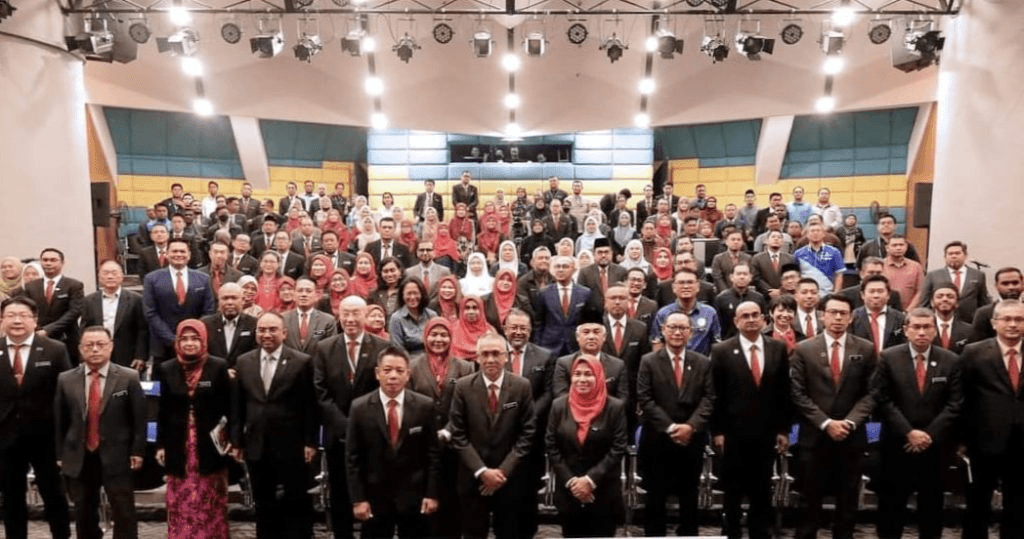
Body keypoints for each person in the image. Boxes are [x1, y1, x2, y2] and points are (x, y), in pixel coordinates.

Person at [869, 308, 962, 539]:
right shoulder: (888, 357)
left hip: (935, 447)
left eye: (927, 327)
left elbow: (955, 403)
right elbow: (881, 399)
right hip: (897, 444)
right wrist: (908, 432)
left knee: (932, 506)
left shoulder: (951, 360)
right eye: (916, 327)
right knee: (891, 506)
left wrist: (928, 435)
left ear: (935, 330)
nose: (921, 332)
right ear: (906, 330)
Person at [789, 294, 877, 539]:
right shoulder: (804, 349)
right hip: (814, 435)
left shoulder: (866, 349)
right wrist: (826, 423)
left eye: (843, 313)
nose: (838, 318)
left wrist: (849, 422)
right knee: (809, 497)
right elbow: (796, 393)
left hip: (851, 435)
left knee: (848, 498)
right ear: (822, 315)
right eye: (833, 312)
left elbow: (872, 393)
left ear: (851, 318)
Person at [55, 325, 145, 539]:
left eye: (100, 344)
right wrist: (60, 454)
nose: (95, 349)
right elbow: (60, 421)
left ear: (111, 346)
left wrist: (138, 451)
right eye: (89, 345)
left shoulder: (128, 377)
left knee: (124, 510)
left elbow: (139, 419)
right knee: (83, 511)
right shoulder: (66, 379)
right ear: (80, 348)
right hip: (80, 455)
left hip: (118, 454)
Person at [232, 311, 317, 539]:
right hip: (257, 443)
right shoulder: (244, 361)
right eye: (262, 330)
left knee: (296, 500)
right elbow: (238, 405)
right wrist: (237, 441)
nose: (267, 334)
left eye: (272, 330)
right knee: (263, 502)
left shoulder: (302, 362)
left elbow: (310, 406)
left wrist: (310, 442)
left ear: (284, 333)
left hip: (292, 443)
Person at [710, 301, 791, 539]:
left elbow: (784, 392)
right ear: (736, 322)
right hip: (733, 433)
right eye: (745, 316)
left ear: (764, 319)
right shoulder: (722, 350)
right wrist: (718, 431)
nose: (751, 319)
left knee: (762, 487)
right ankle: (732, 530)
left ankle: (760, 531)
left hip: (766, 432)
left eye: (756, 315)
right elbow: (715, 395)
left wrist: (783, 430)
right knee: (733, 488)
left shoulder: (777, 348)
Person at [345, 346, 441, 539]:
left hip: (415, 497)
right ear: (377, 373)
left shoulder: (424, 406)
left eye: (399, 371)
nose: (393, 376)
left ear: (408, 374)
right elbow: (352, 458)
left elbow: (433, 455)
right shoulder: (359, 408)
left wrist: (432, 494)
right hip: (374, 497)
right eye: (387, 370)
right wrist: (358, 499)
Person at [448, 333, 536, 539]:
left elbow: (528, 433)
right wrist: (482, 471)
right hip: (473, 479)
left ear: (506, 356)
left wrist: (502, 472)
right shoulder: (462, 387)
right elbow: (458, 434)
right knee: (473, 533)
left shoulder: (522, 386)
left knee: (509, 533)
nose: (490, 359)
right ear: (477, 357)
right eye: (485, 354)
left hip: (509, 479)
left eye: (496, 353)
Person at [637, 312, 714, 537]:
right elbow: (645, 398)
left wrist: (690, 426)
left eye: (683, 328)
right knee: (655, 496)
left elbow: (709, 398)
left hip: (692, 439)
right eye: (672, 327)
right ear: (663, 330)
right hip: (658, 439)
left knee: (689, 495)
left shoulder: (703, 362)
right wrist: (671, 427)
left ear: (691, 333)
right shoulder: (648, 361)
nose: (677, 332)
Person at [0, 297, 72, 539]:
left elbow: (65, 395)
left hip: (46, 436)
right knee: (11, 496)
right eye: (11, 315)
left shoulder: (55, 349)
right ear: (2, 320)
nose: (17, 321)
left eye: (23, 315)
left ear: (35, 320)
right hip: (6, 437)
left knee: (54, 494)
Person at [155, 320, 232, 539]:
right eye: (184, 339)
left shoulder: (218, 366)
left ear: (204, 340)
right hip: (177, 443)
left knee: (210, 495)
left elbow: (229, 406)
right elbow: (160, 410)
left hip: (210, 444)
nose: (189, 343)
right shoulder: (166, 368)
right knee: (181, 496)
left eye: (195, 338)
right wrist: (160, 444)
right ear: (177, 342)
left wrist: (231, 439)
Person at [960, 299, 1024, 539]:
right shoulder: (973, 352)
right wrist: (962, 439)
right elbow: (962, 396)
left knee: (1018, 506)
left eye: (1019, 319)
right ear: (994, 323)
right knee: (977, 504)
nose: (1013, 324)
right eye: (1007, 319)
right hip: (984, 442)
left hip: (1022, 444)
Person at [545, 356, 626, 538]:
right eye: (577, 374)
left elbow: (618, 447)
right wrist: (572, 481)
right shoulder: (559, 405)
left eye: (588, 374)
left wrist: (589, 480)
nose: (582, 379)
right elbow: (551, 445)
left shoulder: (615, 407)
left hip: (603, 492)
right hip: (569, 491)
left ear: (599, 376)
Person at [143, 238, 216, 360]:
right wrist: (172, 339)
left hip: (195, 344)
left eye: (182, 251)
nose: (178, 254)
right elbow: (150, 313)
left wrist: (191, 337)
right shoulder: (152, 279)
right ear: (167, 254)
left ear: (189, 255)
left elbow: (208, 311)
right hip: (163, 346)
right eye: (174, 251)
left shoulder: (203, 279)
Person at [19, 247, 85, 363]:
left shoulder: (74, 285)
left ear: (62, 263)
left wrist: (48, 330)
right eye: (45, 260)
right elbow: (27, 310)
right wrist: (37, 329)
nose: (48, 263)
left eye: (53, 260)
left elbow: (75, 312)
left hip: (66, 338)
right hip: (37, 337)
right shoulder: (31, 286)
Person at [80, 260, 148, 371]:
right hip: (97, 352)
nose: (110, 276)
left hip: (127, 354)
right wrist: (83, 354)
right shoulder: (89, 300)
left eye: (114, 273)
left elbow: (142, 329)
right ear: (99, 277)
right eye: (106, 273)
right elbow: (84, 329)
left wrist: (140, 356)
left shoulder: (136, 299)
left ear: (122, 276)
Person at [532, 255, 597, 355]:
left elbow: (589, 322)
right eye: (557, 267)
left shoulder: (585, 293)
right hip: (549, 346)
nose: (560, 270)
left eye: (565, 266)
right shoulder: (544, 293)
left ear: (574, 269)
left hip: (575, 346)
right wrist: (538, 347)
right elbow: (538, 323)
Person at [649, 268, 722, 356]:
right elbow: (657, 344)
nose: (686, 286)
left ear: (698, 287)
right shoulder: (663, 314)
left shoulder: (710, 313)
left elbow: (716, 344)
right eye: (681, 283)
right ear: (673, 288)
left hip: (701, 363)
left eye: (690, 282)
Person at [919, 240, 991, 323]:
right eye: (950, 254)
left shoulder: (977, 275)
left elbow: (983, 301)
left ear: (965, 256)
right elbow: (924, 302)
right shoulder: (933, 275)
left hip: (969, 322)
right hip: (941, 321)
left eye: (957, 253)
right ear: (945, 257)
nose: (954, 256)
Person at [551, 322, 628, 399]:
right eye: (586, 332)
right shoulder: (564, 363)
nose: (591, 337)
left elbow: (622, 398)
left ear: (604, 337)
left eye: (596, 332)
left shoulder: (617, 365)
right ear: (577, 337)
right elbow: (561, 395)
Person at [201, 282, 257, 370]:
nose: (229, 302)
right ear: (219, 301)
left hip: (242, 374)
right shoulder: (205, 324)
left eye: (234, 298)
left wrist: (235, 370)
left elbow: (255, 353)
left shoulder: (254, 324)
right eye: (225, 298)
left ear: (243, 300)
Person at [850, 275, 907, 355]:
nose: (876, 295)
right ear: (862, 295)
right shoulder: (853, 317)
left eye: (880, 291)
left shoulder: (900, 318)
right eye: (871, 291)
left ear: (888, 295)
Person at [284, 277, 338, 356]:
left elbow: (331, 350)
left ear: (316, 295)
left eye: (308, 291)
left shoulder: (328, 321)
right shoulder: (283, 319)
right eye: (300, 291)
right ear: (294, 294)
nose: (304, 294)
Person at [970, 266, 1023, 342]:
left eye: (1015, 283)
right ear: (996, 286)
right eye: (1005, 284)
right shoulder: (983, 313)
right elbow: (977, 344)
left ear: (1022, 284)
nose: (1011, 287)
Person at [714, 263, 767, 340]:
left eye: (745, 274)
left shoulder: (758, 298)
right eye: (738, 274)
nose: (742, 277)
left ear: (750, 277)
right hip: (728, 342)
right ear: (731, 277)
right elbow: (717, 326)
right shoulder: (721, 298)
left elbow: (763, 323)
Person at [793, 222, 846, 294]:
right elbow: (795, 275)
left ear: (824, 234)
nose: (815, 233)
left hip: (827, 292)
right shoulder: (798, 253)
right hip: (807, 293)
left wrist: (836, 292)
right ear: (807, 234)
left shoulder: (834, 252)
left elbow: (839, 274)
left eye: (818, 231)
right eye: (812, 231)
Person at [856, 213, 921, 268]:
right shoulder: (867, 247)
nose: (886, 225)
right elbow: (859, 267)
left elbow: (916, 265)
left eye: (889, 223)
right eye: (883, 223)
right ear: (877, 227)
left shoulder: (907, 245)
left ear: (895, 226)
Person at [750, 230, 796, 298]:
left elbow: (791, 277)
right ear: (766, 241)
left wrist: (781, 290)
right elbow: (756, 278)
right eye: (773, 237)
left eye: (779, 237)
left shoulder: (789, 258)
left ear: (783, 242)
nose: (776, 239)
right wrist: (769, 290)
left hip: (784, 295)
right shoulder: (757, 258)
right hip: (763, 296)